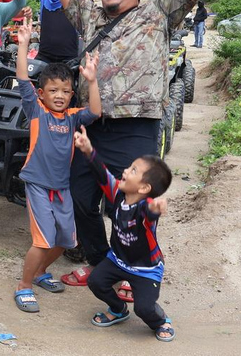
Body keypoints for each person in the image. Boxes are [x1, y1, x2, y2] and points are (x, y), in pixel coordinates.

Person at [27, 0, 241, 294]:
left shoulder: (159, 12)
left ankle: (132, 269)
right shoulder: (91, 17)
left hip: (138, 129)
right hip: (91, 128)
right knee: (78, 198)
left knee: (130, 208)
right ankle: (102, 263)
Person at [12, 18, 101, 313]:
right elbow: (23, 79)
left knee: (65, 240)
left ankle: (39, 274)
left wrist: (91, 80)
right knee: (42, 239)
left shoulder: (74, 116)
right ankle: (24, 286)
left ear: (71, 94)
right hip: (38, 184)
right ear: (42, 94)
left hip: (62, 187)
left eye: (64, 90)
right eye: (53, 90)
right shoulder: (36, 110)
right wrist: (24, 45)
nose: (59, 95)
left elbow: (96, 112)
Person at [73, 126, 174, 341]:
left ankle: (161, 321)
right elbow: (102, 174)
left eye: (133, 171)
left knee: (144, 309)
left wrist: (156, 209)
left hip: (146, 269)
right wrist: (89, 150)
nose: (126, 171)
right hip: (118, 260)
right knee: (96, 282)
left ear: (145, 188)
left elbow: (150, 214)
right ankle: (118, 309)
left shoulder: (145, 208)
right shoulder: (118, 192)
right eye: (129, 167)